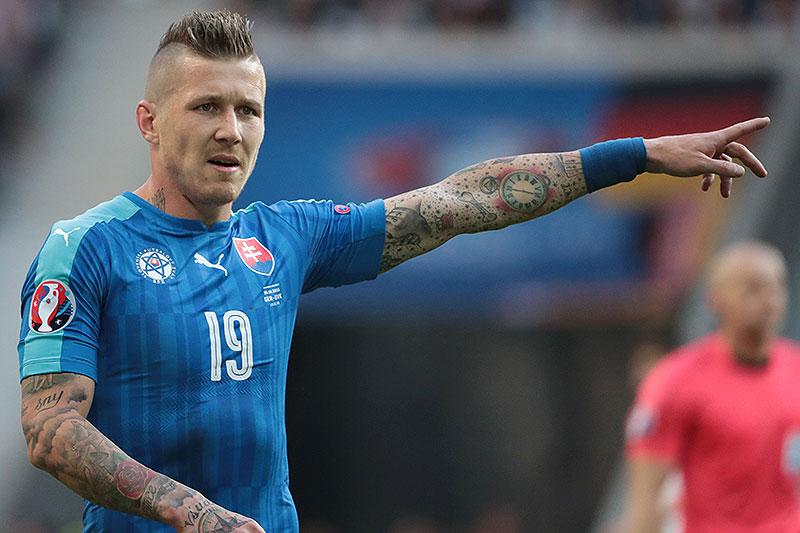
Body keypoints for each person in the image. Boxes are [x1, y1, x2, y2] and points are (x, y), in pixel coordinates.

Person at [17, 9, 770, 533]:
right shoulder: (86, 248)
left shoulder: (284, 237)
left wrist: (634, 155)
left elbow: (460, 200)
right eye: (206, 106)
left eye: (249, 110)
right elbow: (50, 431)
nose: (231, 130)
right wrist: (190, 511)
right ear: (149, 121)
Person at [625, 242, 800, 533]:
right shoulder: (677, 380)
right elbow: (646, 498)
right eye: (753, 288)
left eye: (777, 287)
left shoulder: (795, 370)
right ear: (716, 298)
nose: (770, 301)